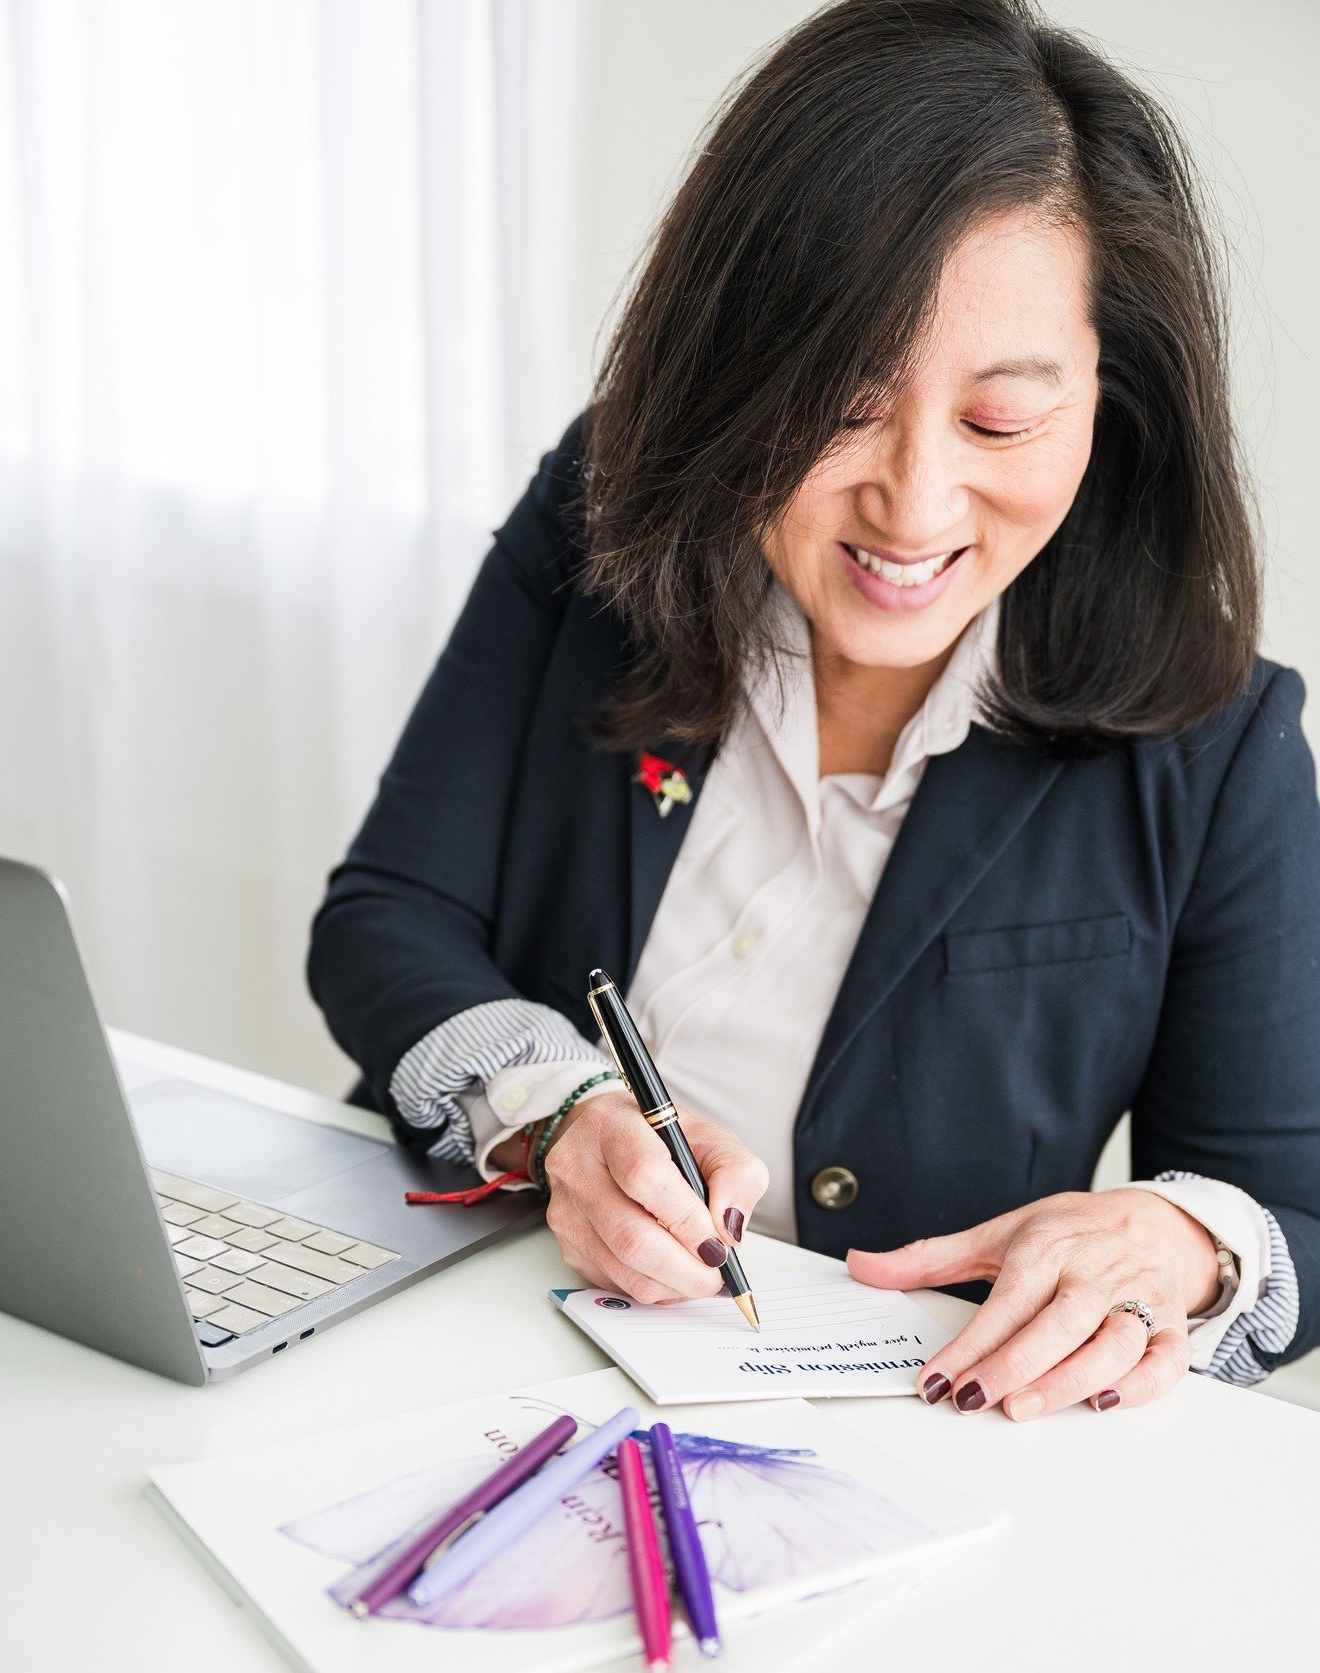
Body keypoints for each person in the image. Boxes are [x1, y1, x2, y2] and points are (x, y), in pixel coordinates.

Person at [309, 0, 1320, 1420]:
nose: (911, 507)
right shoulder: (602, 516)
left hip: (897, 1448)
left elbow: (1293, 1217)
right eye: (839, 404)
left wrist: (1186, 1244)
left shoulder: (1216, 738)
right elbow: (386, 918)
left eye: (1000, 421)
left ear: (1113, 399)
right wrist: (555, 1112)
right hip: (464, 1352)